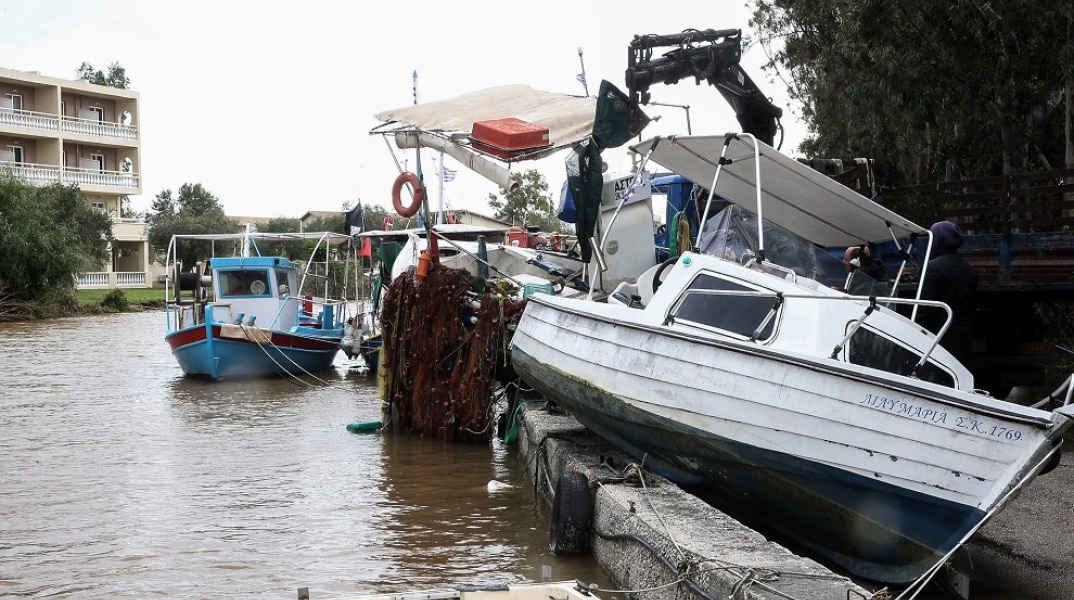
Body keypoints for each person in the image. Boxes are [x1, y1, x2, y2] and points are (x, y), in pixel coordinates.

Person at [918, 221, 978, 364]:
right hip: (963, 340)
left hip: (939, 340)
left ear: (937, 239)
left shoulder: (932, 268)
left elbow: (924, 309)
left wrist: (918, 338)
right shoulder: (969, 270)